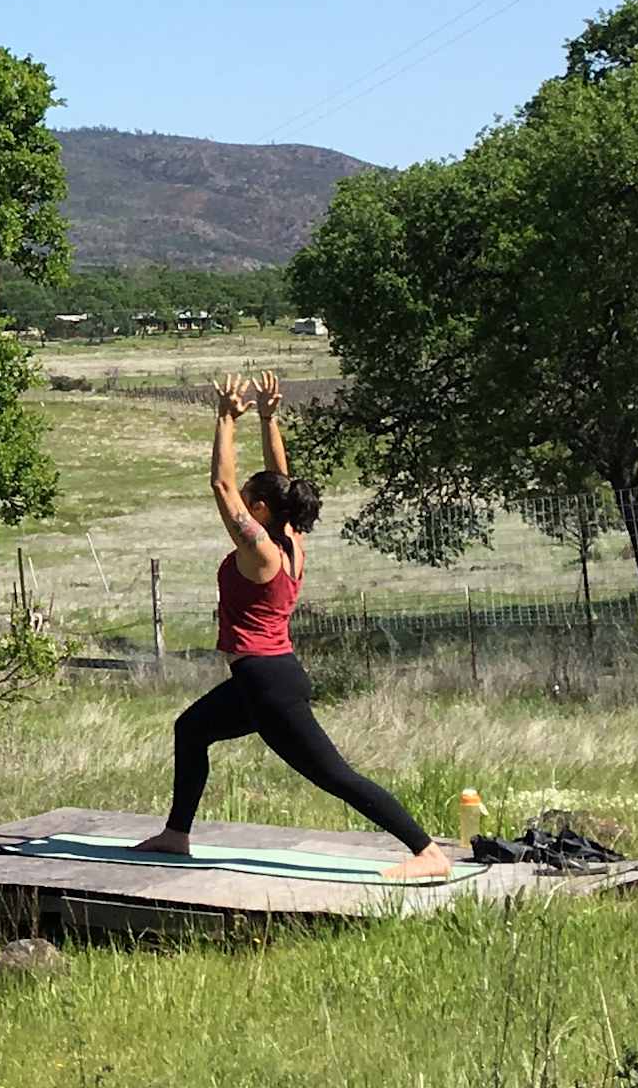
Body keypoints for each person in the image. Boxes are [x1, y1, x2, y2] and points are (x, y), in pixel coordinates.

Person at [133, 372, 449, 879]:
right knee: (190, 729)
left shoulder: (258, 549)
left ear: (258, 510)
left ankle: (427, 852)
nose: (245, 500)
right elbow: (282, 483)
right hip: (264, 676)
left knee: (335, 776)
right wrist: (269, 417)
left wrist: (224, 418)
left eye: (250, 498)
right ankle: (176, 835)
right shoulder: (291, 538)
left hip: (268, 685)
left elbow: (220, 483)